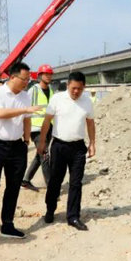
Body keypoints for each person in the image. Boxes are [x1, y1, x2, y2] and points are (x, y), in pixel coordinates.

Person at [0, 62, 42, 238]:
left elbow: (27, 119)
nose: (26, 82)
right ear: (12, 77)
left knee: (13, 186)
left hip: (17, 146)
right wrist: (24, 109)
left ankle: (8, 224)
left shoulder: (25, 96)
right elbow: (0, 114)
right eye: (24, 79)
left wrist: (26, 140)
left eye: (28, 79)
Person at [38, 71, 96, 231]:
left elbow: (90, 123)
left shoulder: (87, 101)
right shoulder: (57, 99)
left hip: (78, 148)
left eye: (79, 89)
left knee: (76, 183)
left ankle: (73, 216)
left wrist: (92, 143)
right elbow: (47, 121)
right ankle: (50, 210)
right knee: (55, 181)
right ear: (68, 85)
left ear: (84, 87)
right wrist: (42, 142)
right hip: (59, 146)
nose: (76, 91)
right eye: (73, 88)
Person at [22, 64, 55, 191]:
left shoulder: (51, 90)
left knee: (40, 154)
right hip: (36, 128)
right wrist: (24, 130)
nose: (48, 76)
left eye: (50, 74)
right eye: (46, 74)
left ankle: (25, 180)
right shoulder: (33, 90)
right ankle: (51, 188)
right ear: (40, 76)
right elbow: (26, 110)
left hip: (48, 127)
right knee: (45, 155)